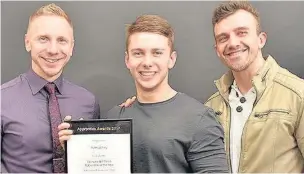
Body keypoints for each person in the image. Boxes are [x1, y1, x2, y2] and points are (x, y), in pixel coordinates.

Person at [58, 14, 229, 173]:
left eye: (157, 53)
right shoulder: (116, 117)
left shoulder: (199, 119)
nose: (147, 62)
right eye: (138, 53)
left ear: (171, 59)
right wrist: (78, 148)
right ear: (127, 60)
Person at [204, 1, 304, 173]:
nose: (233, 43)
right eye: (223, 38)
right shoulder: (211, 107)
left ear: (261, 40)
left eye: (241, 32)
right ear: (217, 49)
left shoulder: (297, 94)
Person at [1, 3, 100, 173]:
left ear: (71, 47)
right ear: (27, 42)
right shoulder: (2, 99)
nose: (53, 50)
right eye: (43, 39)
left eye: (62, 40)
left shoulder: (88, 103)